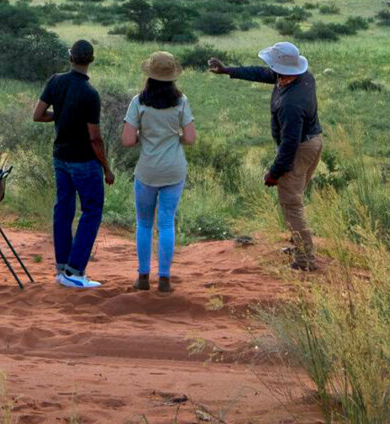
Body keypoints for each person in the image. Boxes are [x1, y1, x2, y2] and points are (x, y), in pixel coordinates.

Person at [207, 41, 323, 270]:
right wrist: (229, 70)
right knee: (295, 196)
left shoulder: (291, 103)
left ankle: (305, 260)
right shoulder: (302, 77)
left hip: (300, 148)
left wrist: (274, 173)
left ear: (281, 69)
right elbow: (264, 74)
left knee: (291, 202)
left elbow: (289, 145)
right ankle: (299, 247)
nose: (270, 69)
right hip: (313, 141)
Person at [34, 39, 114, 290]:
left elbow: (38, 115)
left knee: (63, 210)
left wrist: (62, 114)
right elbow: (95, 137)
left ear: (70, 57)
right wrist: (106, 167)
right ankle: (75, 270)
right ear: (90, 60)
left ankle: (61, 268)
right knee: (91, 212)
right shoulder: (90, 94)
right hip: (84, 161)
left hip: (60, 157)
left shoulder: (55, 81)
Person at [121, 51, 196, 292]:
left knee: (144, 223)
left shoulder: (138, 102)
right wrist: (173, 138)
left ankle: (143, 277)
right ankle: (164, 279)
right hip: (174, 170)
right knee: (166, 223)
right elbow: (191, 138)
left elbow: (127, 140)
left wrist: (147, 136)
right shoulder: (181, 101)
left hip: (147, 170)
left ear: (149, 76)